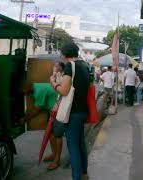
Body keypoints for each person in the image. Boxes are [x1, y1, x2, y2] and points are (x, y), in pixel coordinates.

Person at [50, 42, 90, 180]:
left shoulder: (69, 66)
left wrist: (54, 84)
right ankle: (84, 174)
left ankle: (76, 177)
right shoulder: (84, 66)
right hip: (83, 111)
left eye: (61, 54)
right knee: (80, 143)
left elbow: (64, 90)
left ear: (64, 55)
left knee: (73, 147)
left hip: (72, 112)